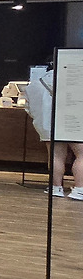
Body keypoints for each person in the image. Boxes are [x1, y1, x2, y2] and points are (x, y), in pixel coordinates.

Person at [25, 65, 83, 200]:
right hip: (73, 122)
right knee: (81, 154)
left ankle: (55, 188)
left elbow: (28, 107)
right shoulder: (74, 80)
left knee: (55, 155)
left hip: (48, 124)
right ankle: (79, 188)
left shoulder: (34, 84)